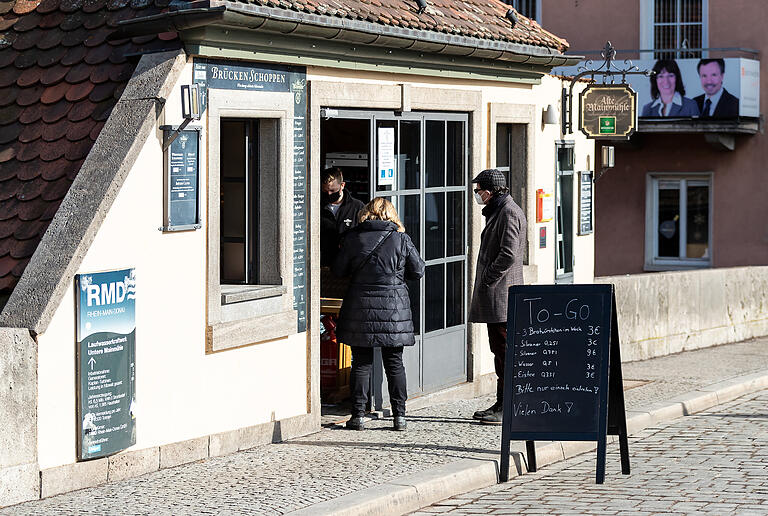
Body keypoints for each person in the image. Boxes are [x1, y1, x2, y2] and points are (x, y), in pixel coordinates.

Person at [332, 197, 424, 431]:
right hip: (393, 308)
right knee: (394, 363)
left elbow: (339, 270)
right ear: (392, 215)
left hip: (360, 306)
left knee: (361, 363)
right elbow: (419, 270)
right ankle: (399, 417)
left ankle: (358, 416)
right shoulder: (401, 239)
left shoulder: (353, 238)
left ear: (366, 214)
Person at [468, 169, 527, 425]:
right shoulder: (499, 210)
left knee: (505, 352)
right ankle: (502, 402)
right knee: (499, 351)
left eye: (478, 191)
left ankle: (507, 407)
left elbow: (509, 254)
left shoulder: (508, 212)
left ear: (489, 192)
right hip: (498, 294)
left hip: (502, 295)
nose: (477, 196)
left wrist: (489, 278)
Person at [320, 167, 364, 267]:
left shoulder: (357, 207)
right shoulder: (317, 207)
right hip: (323, 265)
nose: (329, 194)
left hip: (349, 266)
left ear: (342, 185)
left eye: (333, 190)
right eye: (325, 191)